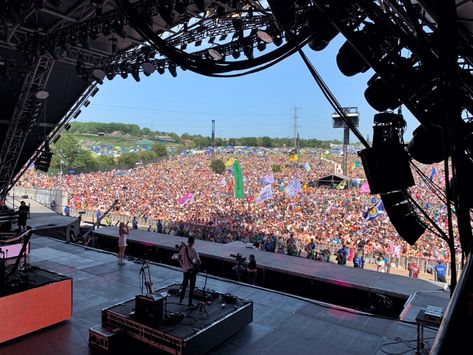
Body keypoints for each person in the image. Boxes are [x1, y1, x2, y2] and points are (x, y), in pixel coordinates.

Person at [178, 236, 201, 307]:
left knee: (184, 285)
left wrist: (183, 265)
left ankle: (181, 300)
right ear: (193, 242)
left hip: (185, 270)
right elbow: (198, 262)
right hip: (191, 271)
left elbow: (179, 257)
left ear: (188, 241)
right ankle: (190, 303)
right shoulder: (194, 251)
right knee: (191, 287)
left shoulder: (182, 248)